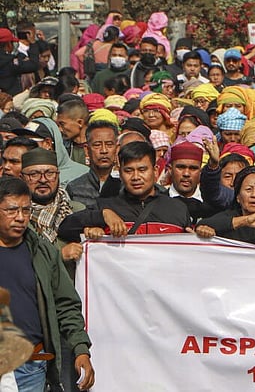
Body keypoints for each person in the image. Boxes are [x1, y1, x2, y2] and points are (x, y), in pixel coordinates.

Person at [0, 177, 95, 391]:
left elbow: (66, 304)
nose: (20, 217)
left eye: (26, 210)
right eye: (12, 210)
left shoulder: (43, 252)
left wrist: (81, 348)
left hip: (31, 367)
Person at [57, 141, 191, 240]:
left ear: (155, 171)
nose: (136, 177)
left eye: (142, 170)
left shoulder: (178, 209)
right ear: (120, 173)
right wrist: (102, 216)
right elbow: (65, 228)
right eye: (128, 171)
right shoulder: (105, 206)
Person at [195, 166, 255, 244]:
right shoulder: (226, 218)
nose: (254, 195)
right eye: (248, 189)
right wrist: (245, 221)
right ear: (238, 197)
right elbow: (202, 224)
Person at [66, 121, 120, 210]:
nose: (104, 151)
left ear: (117, 149)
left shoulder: (125, 187)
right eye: (97, 145)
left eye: (109, 145)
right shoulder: (74, 188)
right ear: (87, 150)